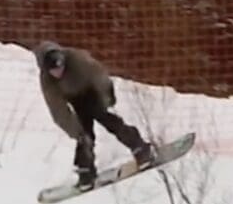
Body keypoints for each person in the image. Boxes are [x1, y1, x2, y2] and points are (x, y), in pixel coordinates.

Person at [33, 40, 156, 188]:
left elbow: (100, 76)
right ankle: (86, 171)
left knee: (108, 120)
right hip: (75, 100)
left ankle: (140, 148)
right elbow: (58, 111)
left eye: (61, 67)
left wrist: (107, 98)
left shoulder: (77, 59)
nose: (58, 72)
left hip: (92, 91)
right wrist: (76, 132)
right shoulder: (47, 81)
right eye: (54, 71)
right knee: (84, 135)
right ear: (46, 70)